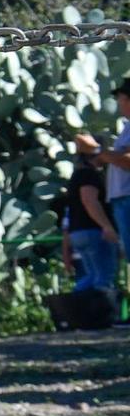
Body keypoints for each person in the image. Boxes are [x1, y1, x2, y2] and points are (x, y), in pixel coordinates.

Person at [75, 78, 130, 274]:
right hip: (122, 200)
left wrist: (96, 149)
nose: (118, 102)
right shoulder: (127, 127)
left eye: (121, 98)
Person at [62, 135, 120, 296]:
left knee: (91, 276)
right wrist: (106, 226)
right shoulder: (90, 175)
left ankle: (77, 311)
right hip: (94, 232)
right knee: (104, 277)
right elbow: (89, 200)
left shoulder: (77, 175)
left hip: (78, 233)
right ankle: (103, 316)